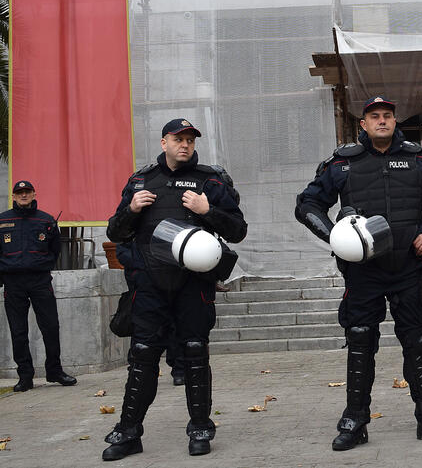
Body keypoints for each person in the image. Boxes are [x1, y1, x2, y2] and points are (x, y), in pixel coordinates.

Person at [295, 96, 422, 452]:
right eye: (375, 117)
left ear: (394, 121)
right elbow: (306, 205)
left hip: (408, 270)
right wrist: (334, 238)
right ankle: (355, 419)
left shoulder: (418, 161)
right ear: (363, 124)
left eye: (387, 115)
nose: (382, 121)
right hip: (363, 273)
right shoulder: (341, 164)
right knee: (359, 341)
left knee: (416, 341)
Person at [102, 119, 247, 460]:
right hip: (150, 285)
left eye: (190, 140)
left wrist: (207, 210)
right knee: (142, 355)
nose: (185, 145)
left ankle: (200, 428)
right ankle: (128, 432)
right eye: (178, 139)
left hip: (193, 285)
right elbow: (115, 232)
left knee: (195, 352)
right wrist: (132, 209)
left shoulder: (209, 181)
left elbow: (238, 229)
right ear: (164, 141)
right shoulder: (141, 180)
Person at [0, 180, 77, 392]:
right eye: (19, 193)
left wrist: (41, 267)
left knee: (50, 327)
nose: (23, 195)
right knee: (18, 331)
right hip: (13, 283)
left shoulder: (46, 220)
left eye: (27, 192)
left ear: (34, 194)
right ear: (13, 196)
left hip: (40, 281)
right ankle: (25, 376)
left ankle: (54, 371)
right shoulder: (3, 220)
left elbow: (54, 250)